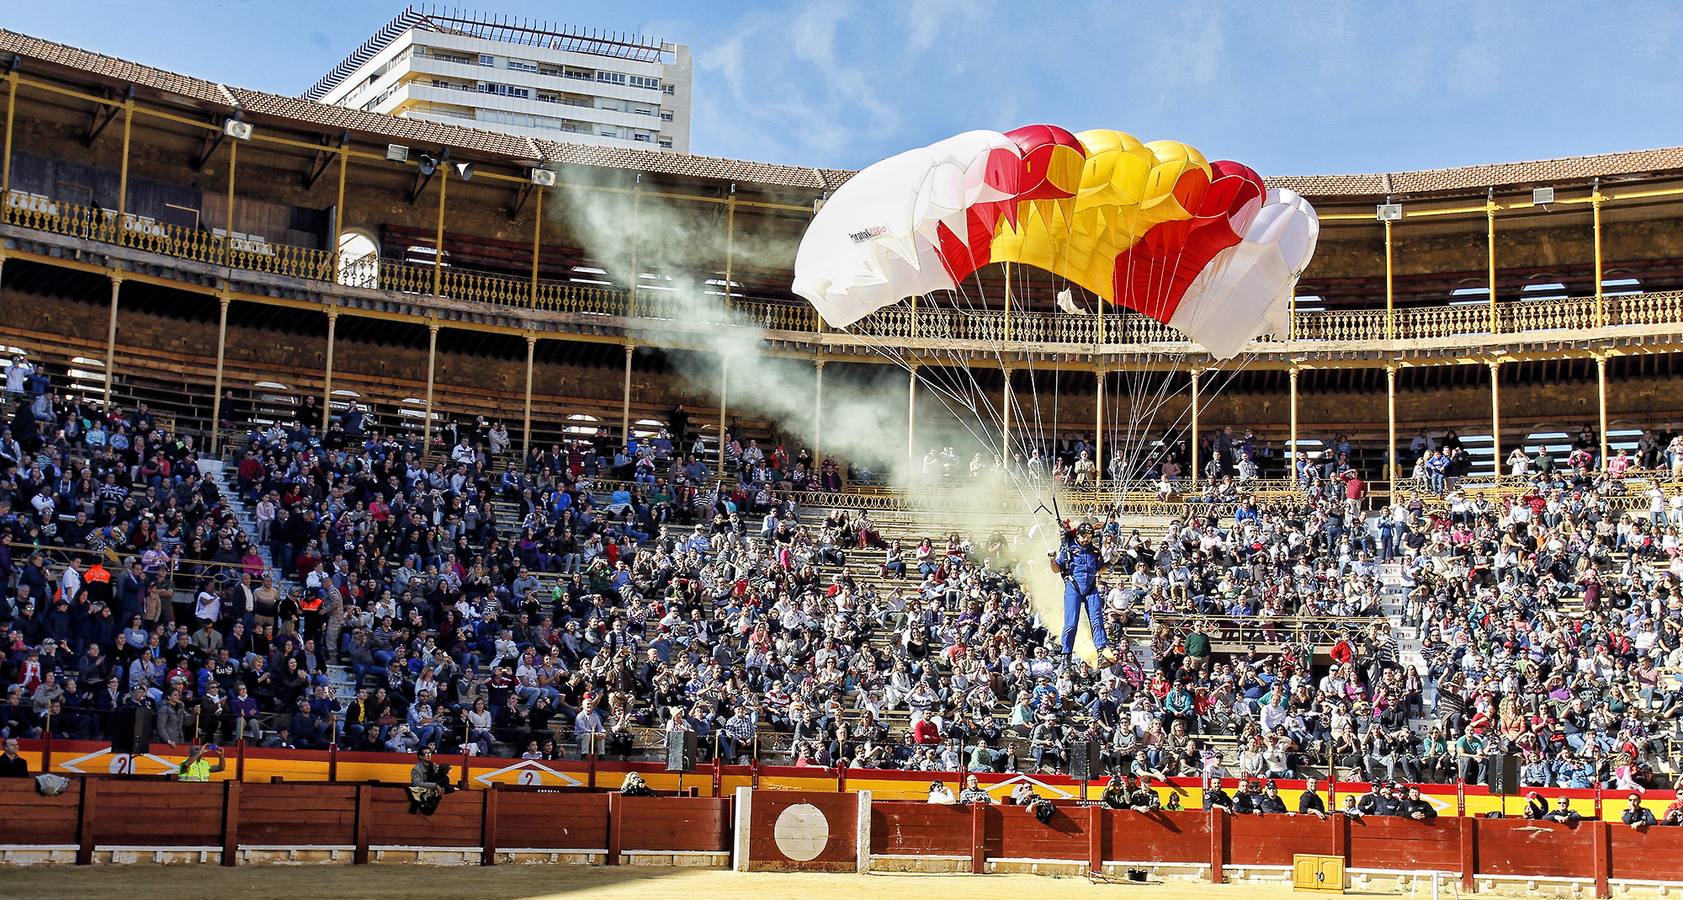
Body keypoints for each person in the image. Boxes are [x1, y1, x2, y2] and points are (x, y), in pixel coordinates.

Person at [1051, 522, 1109, 666]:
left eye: (1089, 537)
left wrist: (1111, 562)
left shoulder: (1094, 551)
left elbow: (1100, 570)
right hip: (1073, 586)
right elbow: (1056, 569)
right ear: (1078, 535)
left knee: (1097, 620)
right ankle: (1066, 655)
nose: (1086, 539)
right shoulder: (1068, 549)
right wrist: (1051, 560)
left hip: (1091, 587)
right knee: (1071, 623)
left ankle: (1101, 652)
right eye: (1084, 536)